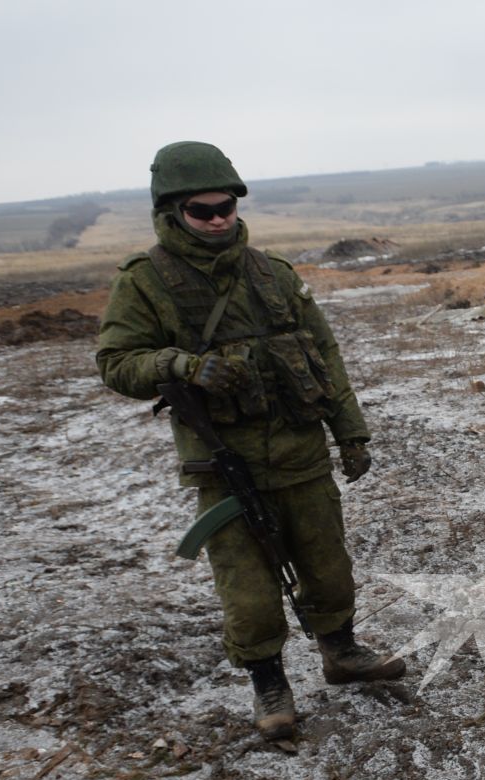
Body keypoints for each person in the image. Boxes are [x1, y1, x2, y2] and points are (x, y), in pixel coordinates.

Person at [96, 140, 404, 742]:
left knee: (328, 566)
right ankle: (269, 681)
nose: (216, 220)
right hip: (221, 462)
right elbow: (115, 363)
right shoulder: (145, 283)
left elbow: (326, 355)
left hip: (300, 449)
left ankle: (340, 652)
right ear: (171, 211)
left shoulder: (274, 275)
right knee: (248, 588)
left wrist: (352, 432)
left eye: (225, 208)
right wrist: (178, 366)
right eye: (201, 211)